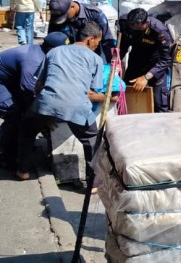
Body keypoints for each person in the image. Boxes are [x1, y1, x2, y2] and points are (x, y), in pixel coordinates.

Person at [17, 22, 112, 182]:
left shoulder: (54, 52)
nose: (98, 45)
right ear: (90, 39)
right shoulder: (96, 59)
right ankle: (93, 183)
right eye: (98, 41)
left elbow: (39, 86)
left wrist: (48, 110)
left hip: (46, 102)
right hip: (77, 107)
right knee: (92, 141)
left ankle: (23, 171)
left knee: (27, 130)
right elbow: (93, 90)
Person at [0, 32, 70, 169]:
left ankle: (19, 147)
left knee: (26, 112)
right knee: (14, 113)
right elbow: (30, 92)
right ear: (54, 50)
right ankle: (7, 157)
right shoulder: (34, 60)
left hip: (8, 81)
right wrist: (46, 117)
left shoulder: (44, 55)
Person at [120, 8, 173, 112]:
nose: (133, 28)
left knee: (159, 103)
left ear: (145, 23)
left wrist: (146, 77)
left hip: (155, 65)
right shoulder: (125, 23)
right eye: (131, 25)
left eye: (136, 26)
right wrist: (117, 61)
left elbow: (166, 59)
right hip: (136, 60)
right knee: (128, 96)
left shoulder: (159, 31)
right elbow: (123, 45)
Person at [48, 0, 116, 62]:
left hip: (90, 59)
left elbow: (107, 41)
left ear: (72, 7)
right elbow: (51, 40)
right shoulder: (57, 17)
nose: (64, 19)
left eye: (65, 16)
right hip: (67, 60)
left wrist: (111, 63)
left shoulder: (94, 14)